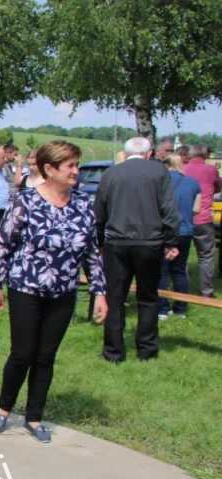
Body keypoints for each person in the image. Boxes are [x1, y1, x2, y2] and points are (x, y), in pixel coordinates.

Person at [0, 141, 108, 445]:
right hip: (26, 287)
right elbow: (2, 244)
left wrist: (100, 293)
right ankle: (4, 408)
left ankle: (34, 416)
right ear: (50, 169)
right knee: (22, 353)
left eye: (77, 165)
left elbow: (92, 253)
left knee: (45, 356)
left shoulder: (83, 205)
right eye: (70, 166)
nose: (76, 171)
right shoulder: (26, 201)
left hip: (63, 292)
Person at [95, 137, 180, 362]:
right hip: (150, 242)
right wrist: (171, 241)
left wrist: (99, 241)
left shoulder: (111, 173)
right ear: (149, 153)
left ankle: (113, 351)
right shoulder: (159, 172)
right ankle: (147, 349)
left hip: (116, 243)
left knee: (115, 297)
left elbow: (99, 211)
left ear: (125, 153)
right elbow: (169, 210)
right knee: (148, 297)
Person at [158, 154, 202, 319]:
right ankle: (180, 308)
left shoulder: (160, 182)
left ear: (166, 165)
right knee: (179, 270)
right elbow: (196, 209)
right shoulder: (193, 183)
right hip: (185, 230)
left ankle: (162, 308)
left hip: (164, 231)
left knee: (162, 270)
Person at [183, 145, 221, 298]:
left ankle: (182, 289)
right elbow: (218, 187)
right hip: (204, 218)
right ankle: (207, 291)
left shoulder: (183, 168)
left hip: (184, 217)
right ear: (205, 155)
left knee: (182, 257)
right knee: (206, 256)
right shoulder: (211, 170)